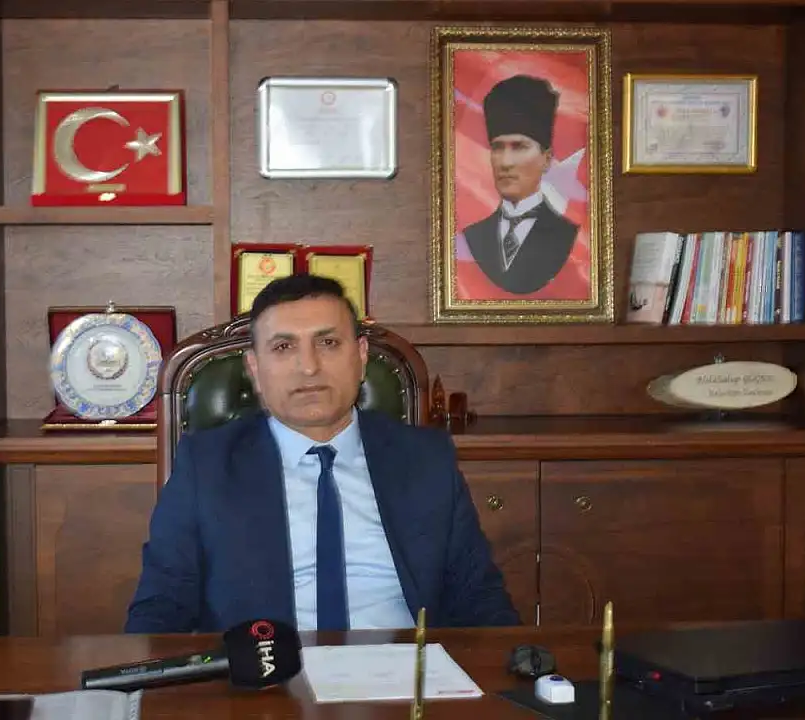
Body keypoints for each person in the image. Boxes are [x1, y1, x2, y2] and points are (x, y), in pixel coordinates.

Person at [124, 274, 520, 634]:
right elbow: (161, 607)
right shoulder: (207, 466)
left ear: (361, 356)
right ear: (255, 369)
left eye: (328, 343)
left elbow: (479, 597)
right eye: (283, 347)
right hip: (264, 675)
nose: (309, 367)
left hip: (403, 673)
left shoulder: (425, 459)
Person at [461, 74, 580, 295]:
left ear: (546, 159)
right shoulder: (473, 236)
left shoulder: (568, 236)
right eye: (497, 147)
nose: (505, 162)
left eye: (519, 147)